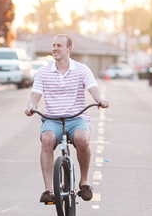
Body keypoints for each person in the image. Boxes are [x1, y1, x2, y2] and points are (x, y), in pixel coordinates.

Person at [24, 34, 109, 204]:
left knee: (82, 139)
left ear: (69, 49)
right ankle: (48, 189)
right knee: (47, 140)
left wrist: (100, 99)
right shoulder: (43, 72)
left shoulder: (82, 70)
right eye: (53, 45)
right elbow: (35, 97)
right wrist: (31, 106)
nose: (55, 48)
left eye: (59, 45)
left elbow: (94, 89)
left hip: (77, 118)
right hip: (52, 119)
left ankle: (84, 182)